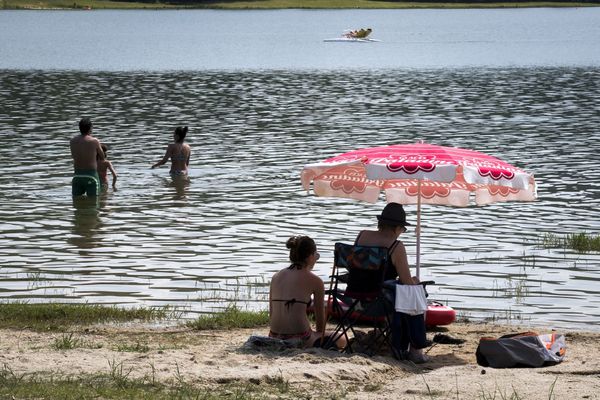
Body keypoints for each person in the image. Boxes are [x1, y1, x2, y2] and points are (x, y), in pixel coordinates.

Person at [354, 202, 429, 363]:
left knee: (395, 289)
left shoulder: (362, 236)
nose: (401, 233)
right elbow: (407, 283)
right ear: (397, 228)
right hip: (378, 303)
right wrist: (416, 282)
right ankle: (415, 349)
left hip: (353, 300)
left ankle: (393, 338)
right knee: (416, 292)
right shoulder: (396, 246)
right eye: (403, 229)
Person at [269, 235, 345, 349]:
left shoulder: (275, 276)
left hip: (273, 336)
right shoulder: (315, 281)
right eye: (316, 255)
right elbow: (320, 326)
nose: (316, 259)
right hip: (301, 338)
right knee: (341, 338)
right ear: (310, 257)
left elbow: (272, 313)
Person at [70, 117, 104, 197]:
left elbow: (73, 156)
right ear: (90, 129)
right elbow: (102, 157)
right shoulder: (94, 141)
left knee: (76, 202)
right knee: (94, 204)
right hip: (91, 176)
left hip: (77, 176)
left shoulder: (72, 141)